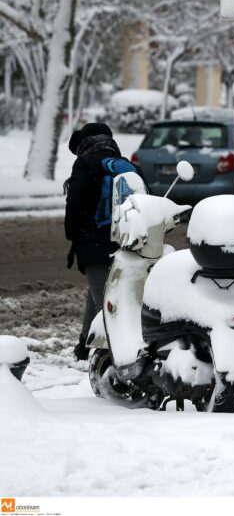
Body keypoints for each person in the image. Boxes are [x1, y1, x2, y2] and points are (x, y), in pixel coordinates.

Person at [64, 123, 139, 361]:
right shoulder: (125, 165)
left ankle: (114, 360)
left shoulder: (85, 164)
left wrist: (74, 235)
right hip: (126, 239)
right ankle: (84, 347)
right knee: (97, 294)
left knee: (105, 306)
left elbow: (75, 204)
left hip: (94, 243)